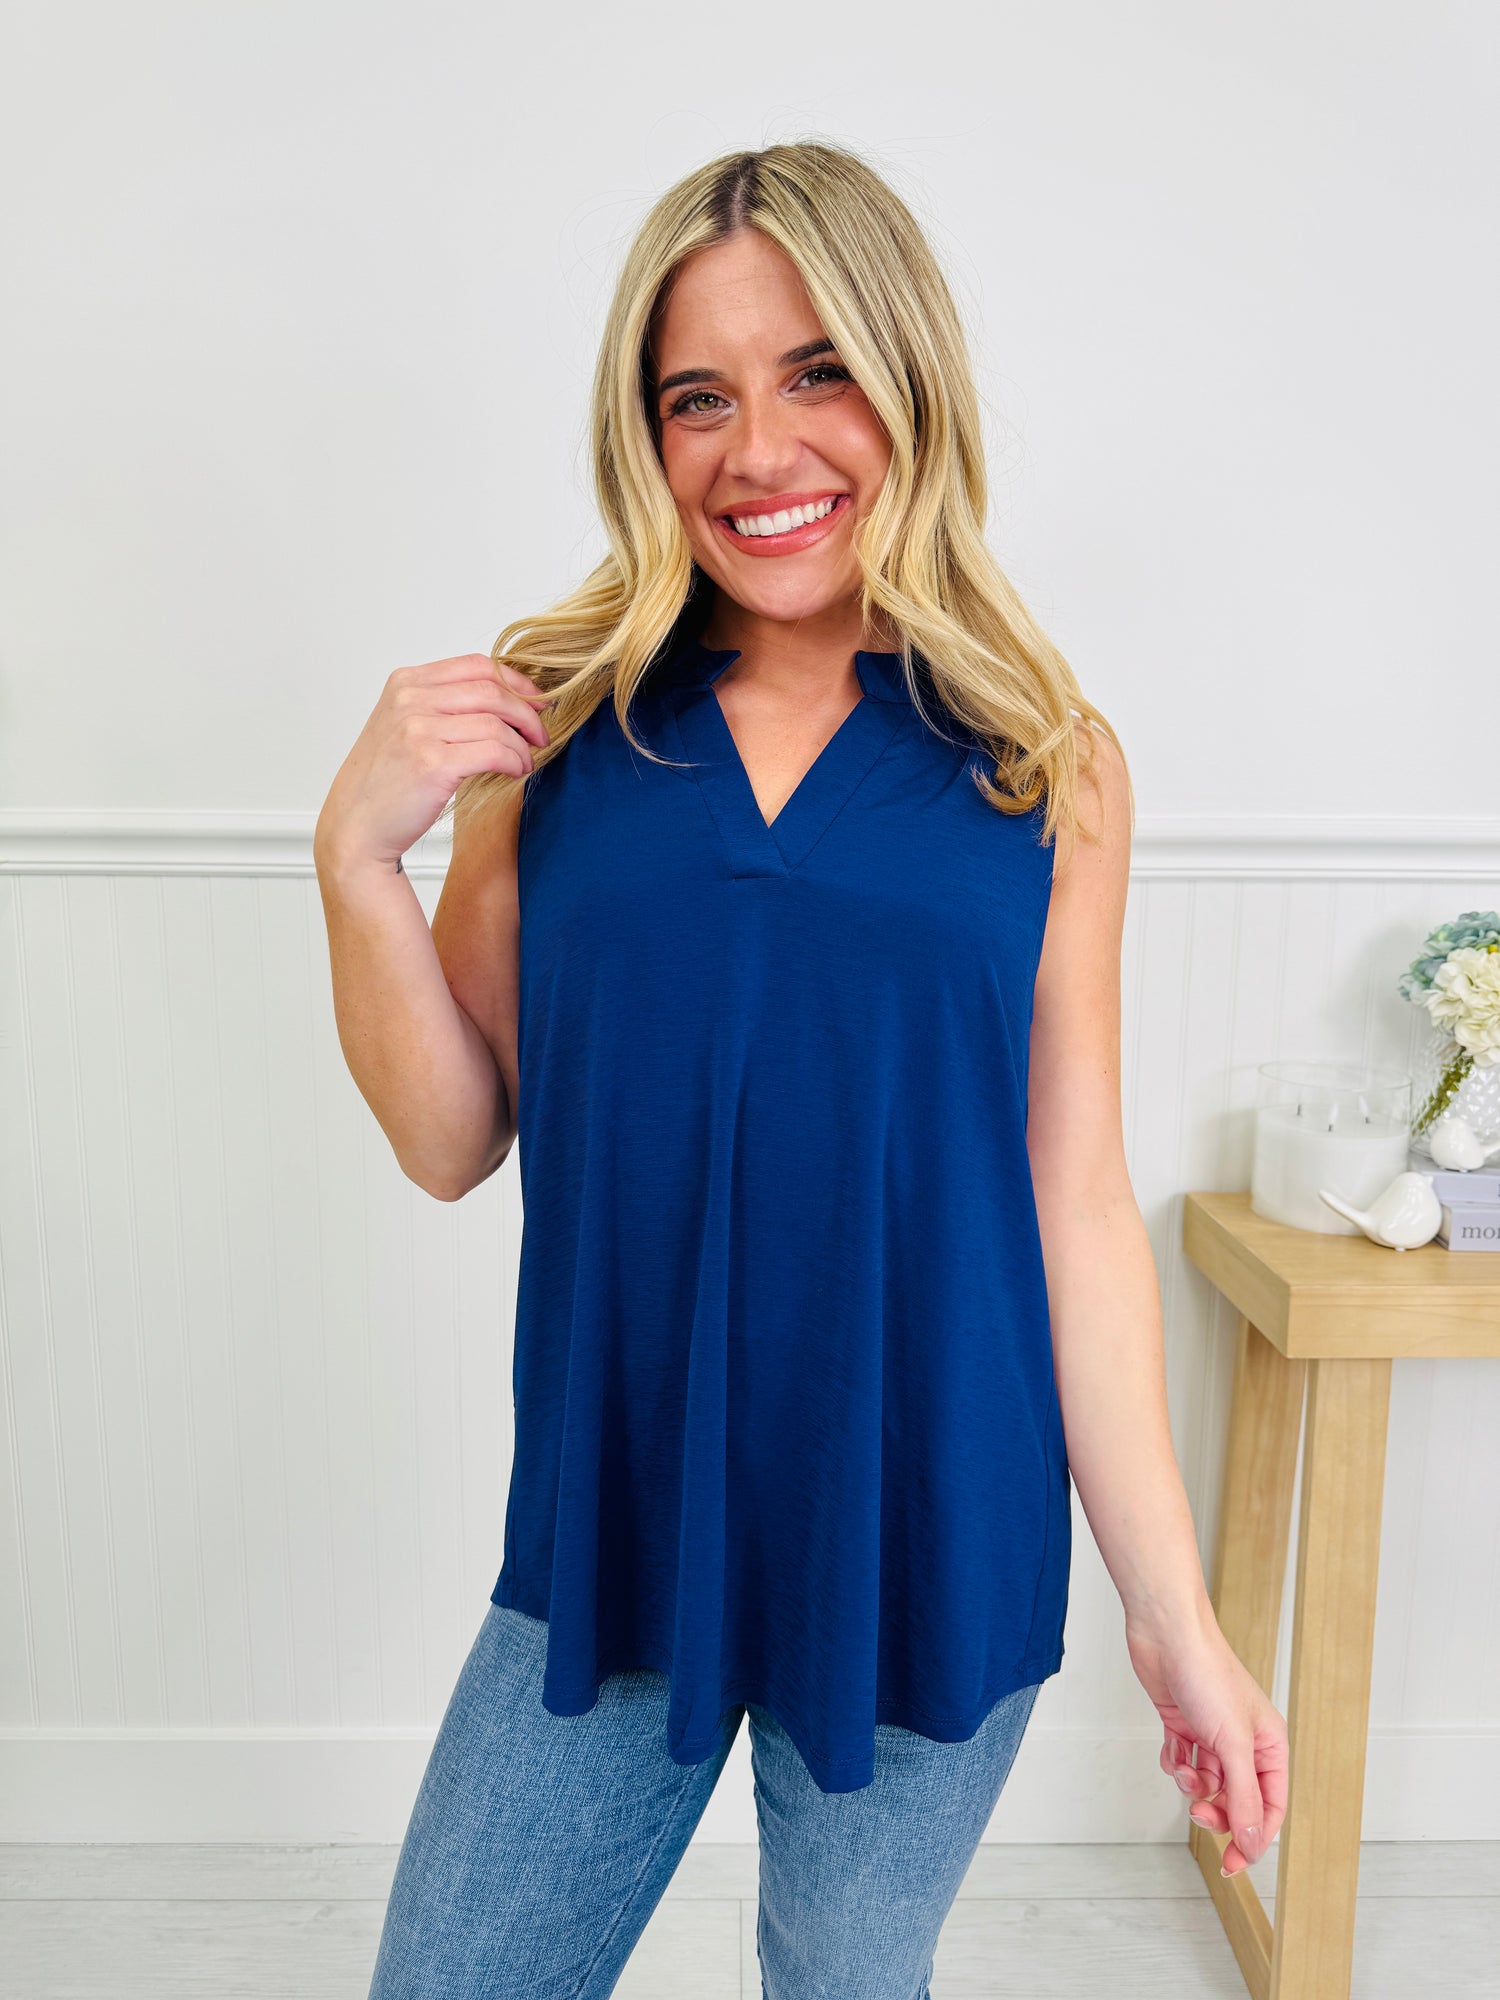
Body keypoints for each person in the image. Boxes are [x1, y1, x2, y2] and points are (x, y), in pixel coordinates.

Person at [314, 140, 1288, 2000]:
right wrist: (353, 860)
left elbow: (1076, 1204)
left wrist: (1178, 1620)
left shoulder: (1048, 761)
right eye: (700, 397)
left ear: (911, 380)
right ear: (644, 434)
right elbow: (451, 1140)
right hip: (621, 1528)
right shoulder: (555, 729)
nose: (759, 453)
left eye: (818, 372)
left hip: (926, 1520)